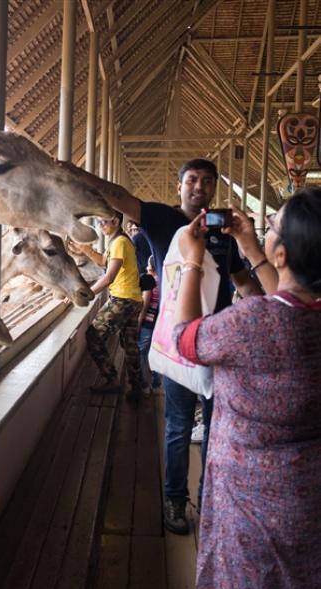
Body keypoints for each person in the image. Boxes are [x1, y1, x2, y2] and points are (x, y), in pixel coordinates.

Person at [59, 158, 263, 535]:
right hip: (176, 344)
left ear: (214, 188)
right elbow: (118, 196)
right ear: (179, 187)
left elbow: (244, 285)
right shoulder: (160, 221)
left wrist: (270, 311)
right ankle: (174, 500)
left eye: (206, 181)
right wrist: (77, 174)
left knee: (217, 430)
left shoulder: (224, 234)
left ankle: (207, 501)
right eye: (191, 180)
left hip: (219, 344)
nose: (198, 186)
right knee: (178, 427)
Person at [172, 188, 321, 589]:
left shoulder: (251, 322)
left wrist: (191, 260)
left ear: (284, 254)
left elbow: (186, 339)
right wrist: (252, 246)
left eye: (272, 226)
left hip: (251, 503)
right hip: (310, 495)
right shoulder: (284, 315)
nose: (267, 228)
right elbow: (291, 301)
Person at [75, 211, 145, 401]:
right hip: (133, 298)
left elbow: (109, 276)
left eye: (103, 222)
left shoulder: (120, 242)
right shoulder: (117, 241)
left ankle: (111, 379)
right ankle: (137, 385)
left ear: (115, 221)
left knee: (93, 335)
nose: (99, 226)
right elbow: (104, 263)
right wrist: (86, 250)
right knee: (129, 343)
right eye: (98, 222)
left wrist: (87, 294)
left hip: (122, 298)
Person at [138, 255, 161, 393]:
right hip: (160, 324)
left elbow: (145, 305)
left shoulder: (149, 281)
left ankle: (145, 385)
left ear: (152, 267)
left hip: (148, 323)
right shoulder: (164, 281)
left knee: (142, 352)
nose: (146, 267)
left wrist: (139, 323)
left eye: (148, 265)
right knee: (156, 352)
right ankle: (156, 383)